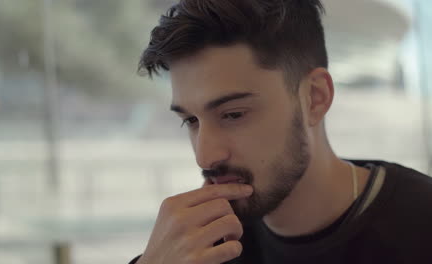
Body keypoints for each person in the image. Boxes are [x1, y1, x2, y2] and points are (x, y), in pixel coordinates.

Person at [130, 0, 432, 263]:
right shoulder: (198, 247)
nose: (205, 156)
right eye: (191, 121)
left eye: (233, 114)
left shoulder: (420, 225)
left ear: (315, 98)